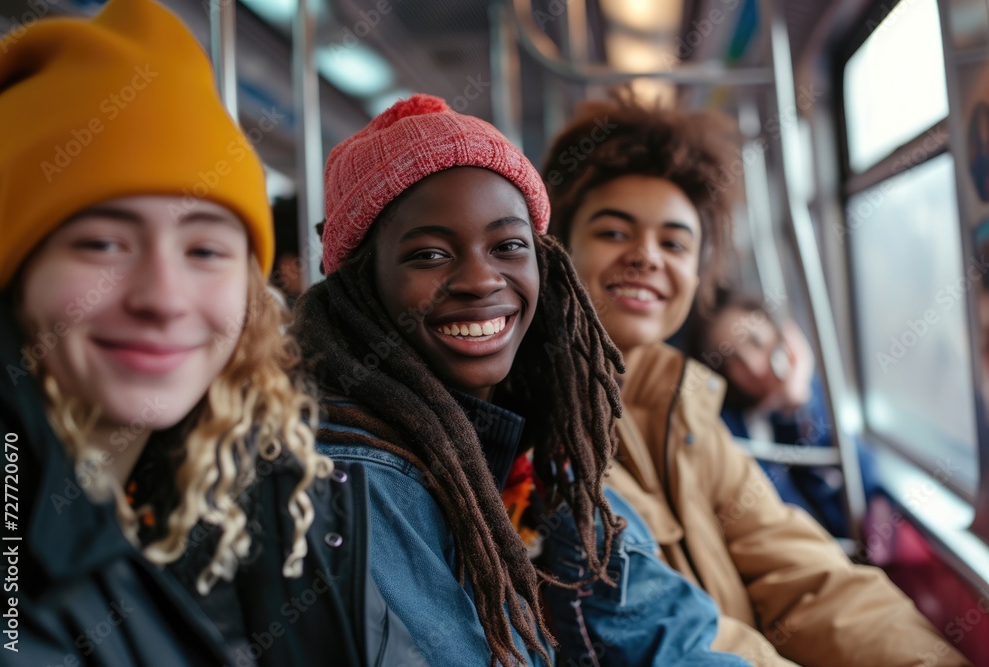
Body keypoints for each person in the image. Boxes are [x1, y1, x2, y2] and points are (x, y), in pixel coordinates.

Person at [0, 1, 416, 665]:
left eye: (205, 251)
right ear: (8, 274)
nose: (162, 297)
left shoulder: (277, 498)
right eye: (100, 243)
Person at [292, 93, 743, 667]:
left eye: (508, 246)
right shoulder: (354, 478)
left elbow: (670, 643)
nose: (481, 280)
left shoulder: (541, 449)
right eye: (429, 254)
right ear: (361, 286)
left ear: (545, 264)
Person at [540, 93, 972, 667]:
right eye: (614, 233)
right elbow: (678, 645)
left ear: (696, 275)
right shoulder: (545, 436)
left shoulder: (683, 411)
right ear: (560, 250)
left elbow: (804, 574)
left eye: (674, 243)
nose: (646, 256)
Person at [687, 291, 879, 538]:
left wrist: (798, 403)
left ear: (782, 334)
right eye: (732, 360)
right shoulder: (731, 432)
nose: (753, 366)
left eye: (756, 342)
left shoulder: (813, 396)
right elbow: (780, 520)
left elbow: (865, 482)